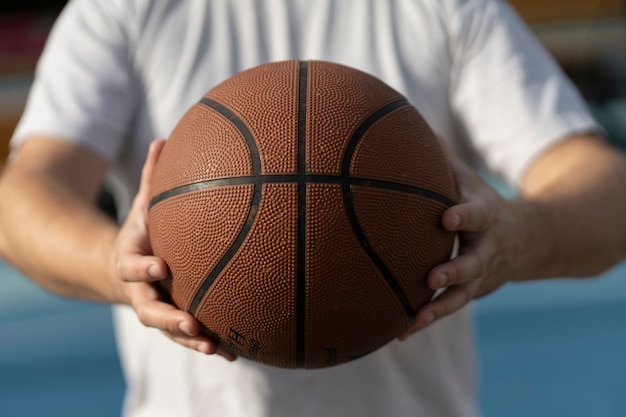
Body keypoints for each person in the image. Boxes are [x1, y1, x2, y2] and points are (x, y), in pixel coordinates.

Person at [1, 0, 625, 416]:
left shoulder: (444, 8)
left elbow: (609, 196)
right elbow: (21, 198)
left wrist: (516, 236)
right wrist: (117, 264)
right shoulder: (124, 9)